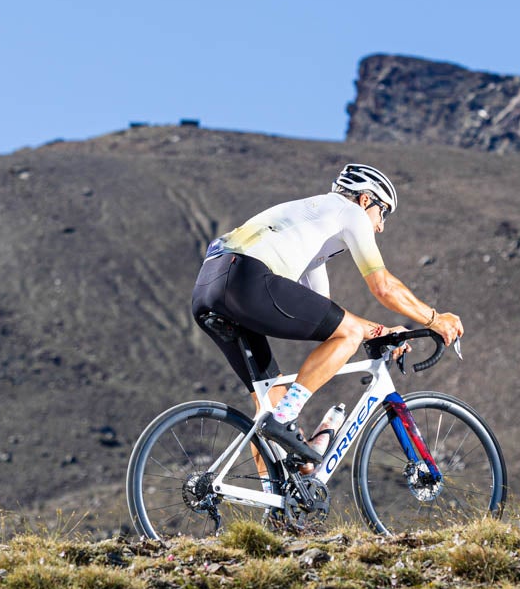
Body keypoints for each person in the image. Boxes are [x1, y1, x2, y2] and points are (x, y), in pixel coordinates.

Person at [190, 164, 464, 464]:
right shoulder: (350, 213)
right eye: (383, 212)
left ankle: (275, 499)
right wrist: (436, 319)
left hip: (208, 287)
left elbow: (325, 315)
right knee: (283, 412)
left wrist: (381, 331)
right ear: (365, 200)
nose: (381, 226)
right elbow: (383, 287)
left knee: (269, 401)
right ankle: (284, 419)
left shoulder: (312, 228)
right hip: (245, 278)